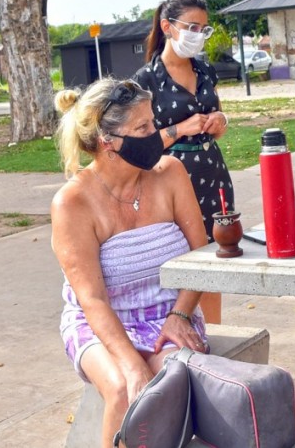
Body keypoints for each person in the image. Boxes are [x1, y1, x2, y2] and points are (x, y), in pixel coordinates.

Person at [51, 78, 210, 448]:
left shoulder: (170, 173)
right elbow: (92, 299)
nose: (156, 134)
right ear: (107, 140)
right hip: (99, 322)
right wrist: (132, 364)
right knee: (125, 388)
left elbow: (200, 256)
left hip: (170, 311)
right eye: (143, 128)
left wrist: (181, 314)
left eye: (153, 122)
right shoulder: (72, 203)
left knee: (172, 380)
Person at [133, 0, 229, 322]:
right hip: (171, 183)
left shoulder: (205, 70)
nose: (198, 35)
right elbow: (140, 146)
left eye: (204, 29)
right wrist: (181, 129)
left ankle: (214, 332)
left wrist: (220, 121)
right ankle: (179, 329)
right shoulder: (145, 80)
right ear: (167, 27)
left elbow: (218, 119)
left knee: (215, 260)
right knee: (183, 261)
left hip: (213, 177)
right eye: (192, 27)